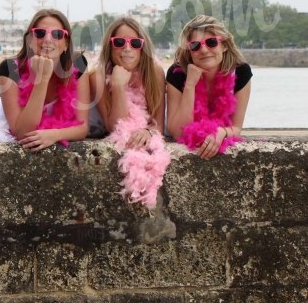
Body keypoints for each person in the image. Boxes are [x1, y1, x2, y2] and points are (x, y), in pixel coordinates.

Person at [91, 17, 168, 209]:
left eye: (135, 43)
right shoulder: (97, 76)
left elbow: (158, 123)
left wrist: (149, 132)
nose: (127, 48)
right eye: (119, 43)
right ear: (110, 46)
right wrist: (118, 86)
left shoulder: (155, 72)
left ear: (143, 47)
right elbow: (114, 125)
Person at [0, 9, 89, 150]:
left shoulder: (78, 65)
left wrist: (54, 135)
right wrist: (42, 79)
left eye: (57, 34)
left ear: (66, 43)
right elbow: (22, 133)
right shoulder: (9, 69)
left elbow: (82, 127)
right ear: (30, 40)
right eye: (40, 33)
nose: (48, 39)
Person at [166, 15, 252, 159]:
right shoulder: (177, 75)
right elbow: (178, 133)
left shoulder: (241, 72)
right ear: (189, 50)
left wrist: (222, 132)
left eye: (211, 42)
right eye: (195, 45)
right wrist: (190, 85)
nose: (204, 50)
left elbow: (236, 128)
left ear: (224, 45)